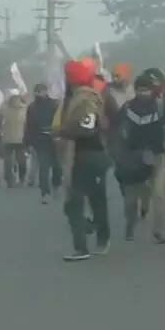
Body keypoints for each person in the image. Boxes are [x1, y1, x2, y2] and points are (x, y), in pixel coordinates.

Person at [58, 60, 111, 261]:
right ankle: (91, 240)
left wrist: (65, 131)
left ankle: (91, 241)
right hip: (82, 156)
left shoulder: (86, 99)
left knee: (88, 202)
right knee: (81, 202)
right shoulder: (76, 98)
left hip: (90, 155)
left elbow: (87, 128)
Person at [111, 74, 165, 241]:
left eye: (146, 90)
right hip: (132, 157)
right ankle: (130, 223)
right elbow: (115, 132)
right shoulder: (127, 109)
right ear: (135, 90)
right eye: (140, 90)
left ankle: (159, 230)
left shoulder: (160, 107)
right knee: (131, 199)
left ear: (152, 90)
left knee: (158, 193)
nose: (143, 93)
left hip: (156, 155)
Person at [138, 67, 165, 234]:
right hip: (142, 150)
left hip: (163, 148)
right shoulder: (134, 104)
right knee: (146, 185)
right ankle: (144, 205)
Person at [24, 83, 62, 203]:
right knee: (43, 167)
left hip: (55, 139)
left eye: (42, 91)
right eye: (38, 91)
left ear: (46, 91)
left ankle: (56, 184)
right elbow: (28, 125)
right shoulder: (32, 107)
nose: (40, 93)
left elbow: (61, 121)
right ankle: (45, 192)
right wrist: (27, 141)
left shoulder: (55, 105)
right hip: (39, 140)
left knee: (57, 166)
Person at [0, 89, 28, 187]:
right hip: (8, 139)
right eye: (13, 98)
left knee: (22, 161)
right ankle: (9, 180)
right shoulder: (4, 110)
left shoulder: (25, 109)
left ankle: (22, 177)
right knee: (8, 162)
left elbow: (28, 123)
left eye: (16, 98)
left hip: (21, 139)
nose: (15, 100)